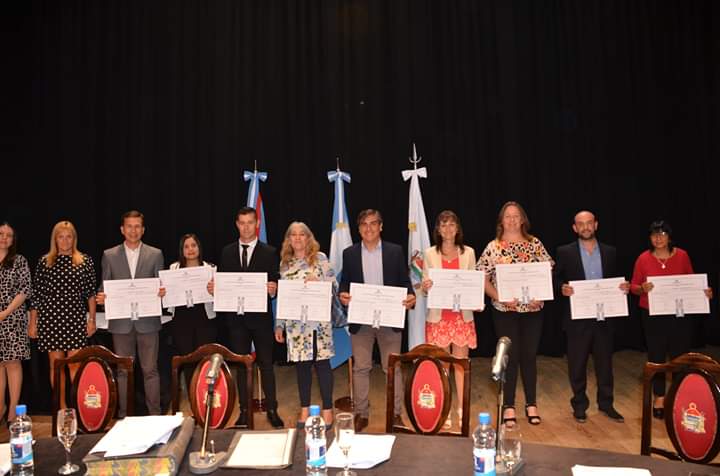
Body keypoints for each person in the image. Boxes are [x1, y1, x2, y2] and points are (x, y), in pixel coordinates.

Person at [339, 209, 416, 433]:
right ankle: (361, 414)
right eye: (364, 224)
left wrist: (410, 296)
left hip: (389, 319)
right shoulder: (349, 253)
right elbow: (345, 283)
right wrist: (343, 295)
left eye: (373, 223)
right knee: (361, 368)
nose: (369, 228)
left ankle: (396, 414)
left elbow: (405, 282)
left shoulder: (395, 251)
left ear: (381, 226)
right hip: (361, 319)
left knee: (392, 368)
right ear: (358, 229)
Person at [477, 201, 552, 427]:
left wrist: (541, 294)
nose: (511, 220)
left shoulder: (535, 243)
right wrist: (499, 296)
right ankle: (508, 406)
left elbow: (547, 270)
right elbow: (482, 277)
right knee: (510, 356)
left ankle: (531, 404)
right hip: (505, 311)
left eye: (516, 216)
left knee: (529, 355)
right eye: (507, 216)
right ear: (501, 221)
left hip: (532, 310)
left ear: (522, 220)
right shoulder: (493, 246)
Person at [630, 220, 713, 419]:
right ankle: (659, 397)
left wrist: (704, 293)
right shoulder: (643, 258)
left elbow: (692, 282)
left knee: (680, 356)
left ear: (669, 237)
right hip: (652, 315)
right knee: (656, 356)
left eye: (662, 234)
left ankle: (679, 396)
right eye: (654, 235)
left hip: (679, 314)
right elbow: (633, 286)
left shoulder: (682, 255)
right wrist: (642, 288)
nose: (658, 238)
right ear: (650, 238)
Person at [553, 211, 628, 424]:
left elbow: (618, 280)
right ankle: (579, 405)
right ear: (575, 228)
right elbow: (555, 278)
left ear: (596, 225)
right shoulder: (564, 252)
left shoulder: (610, 251)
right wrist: (562, 287)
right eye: (581, 224)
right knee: (577, 364)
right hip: (577, 317)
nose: (585, 227)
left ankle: (606, 404)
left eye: (589, 223)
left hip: (604, 317)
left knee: (605, 364)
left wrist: (624, 286)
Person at [217, 207, 284, 428]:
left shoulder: (269, 252)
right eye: (242, 223)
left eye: (250, 223)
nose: (246, 227)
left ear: (257, 224)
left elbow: (276, 281)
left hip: (261, 318)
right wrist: (215, 288)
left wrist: (274, 288)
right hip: (236, 320)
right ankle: (244, 411)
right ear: (237, 224)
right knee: (241, 366)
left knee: (266, 364)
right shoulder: (227, 252)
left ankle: (272, 409)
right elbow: (223, 283)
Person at [96, 210, 165, 417]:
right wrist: (102, 297)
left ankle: (155, 416)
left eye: (137, 227)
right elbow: (104, 286)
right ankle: (124, 416)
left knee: (150, 371)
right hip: (121, 323)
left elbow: (161, 285)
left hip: (148, 321)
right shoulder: (109, 255)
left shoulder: (156, 254)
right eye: (129, 226)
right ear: (122, 229)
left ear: (143, 230)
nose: (133, 231)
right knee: (123, 371)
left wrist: (162, 292)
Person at [274, 222, 336, 428]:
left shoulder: (320, 259)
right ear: (289, 240)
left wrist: (319, 282)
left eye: (302, 234)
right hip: (296, 326)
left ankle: (328, 410)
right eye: (293, 235)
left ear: (309, 238)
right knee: (302, 367)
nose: (298, 238)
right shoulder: (285, 264)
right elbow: (283, 297)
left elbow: (334, 286)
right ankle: (304, 409)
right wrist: (279, 325)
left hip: (319, 323)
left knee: (322, 365)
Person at [28, 221, 97, 402]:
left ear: (74, 239)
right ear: (55, 239)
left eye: (69, 237)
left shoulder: (85, 261)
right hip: (50, 320)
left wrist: (91, 320)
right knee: (56, 366)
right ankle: (61, 407)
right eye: (61, 237)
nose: (65, 241)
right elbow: (36, 296)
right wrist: (32, 323)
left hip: (75, 319)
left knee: (75, 365)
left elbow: (91, 294)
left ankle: (78, 407)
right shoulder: (44, 262)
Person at [421, 210, 477, 429]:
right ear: (438, 229)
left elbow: (473, 283)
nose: (447, 229)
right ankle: (444, 409)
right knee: (441, 366)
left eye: (451, 224)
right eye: (443, 225)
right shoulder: (429, 253)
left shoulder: (468, 253)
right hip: (439, 318)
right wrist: (426, 286)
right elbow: (424, 286)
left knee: (461, 366)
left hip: (462, 318)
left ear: (457, 228)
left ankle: (463, 410)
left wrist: (475, 300)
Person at [167, 233, 216, 390]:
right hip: (181, 320)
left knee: (205, 359)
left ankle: (205, 395)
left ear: (199, 248)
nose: (190, 249)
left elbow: (219, 296)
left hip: (204, 318)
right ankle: (192, 397)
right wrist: (163, 292)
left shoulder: (210, 268)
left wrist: (215, 291)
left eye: (193, 245)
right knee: (188, 360)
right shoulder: (173, 268)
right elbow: (168, 294)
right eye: (186, 246)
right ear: (181, 250)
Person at [0, 222, 31, 424]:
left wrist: (4, 313)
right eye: (1, 233)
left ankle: (13, 410)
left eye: (8, 235)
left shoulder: (19, 260)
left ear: (13, 240)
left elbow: (24, 290)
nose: (4, 238)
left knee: (12, 363)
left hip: (12, 317)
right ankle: (0, 406)